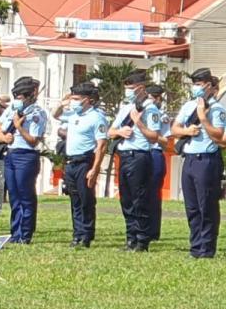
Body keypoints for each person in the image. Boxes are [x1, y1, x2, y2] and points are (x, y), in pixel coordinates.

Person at [172, 68, 226, 259]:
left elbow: (220, 136)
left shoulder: (218, 110)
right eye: (194, 84)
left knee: (206, 205)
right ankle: (195, 246)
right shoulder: (188, 106)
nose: (196, 88)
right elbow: (174, 128)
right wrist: (187, 132)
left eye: (199, 84)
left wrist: (204, 117)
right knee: (191, 206)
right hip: (189, 159)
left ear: (208, 85)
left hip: (206, 160)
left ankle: (206, 248)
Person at [107, 71, 160, 252]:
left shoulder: (150, 109)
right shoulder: (126, 107)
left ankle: (142, 239)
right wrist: (120, 132)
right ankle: (131, 238)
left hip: (139, 156)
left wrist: (139, 124)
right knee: (126, 199)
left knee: (139, 199)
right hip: (124, 156)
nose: (128, 91)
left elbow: (154, 137)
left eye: (131, 88)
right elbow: (110, 131)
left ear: (141, 88)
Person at [58, 82, 108, 248]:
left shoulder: (97, 117)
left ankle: (86, 234)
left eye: (76, 99)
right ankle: (77, 233)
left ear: (87, 100)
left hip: (85, 161)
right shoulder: (73, 115)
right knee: (75, 199)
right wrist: (62, 102)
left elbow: (101, 145)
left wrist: (95, 168)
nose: (73, 102)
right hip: (71, 161)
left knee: (86, 199)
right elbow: (55, 114)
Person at [0, 77, 45, 244]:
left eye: (21, 96)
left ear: (30, 96)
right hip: (11, 154)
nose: (18, 100)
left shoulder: (36, 113)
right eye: (16, 96)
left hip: (26, 155)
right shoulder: (12, 110)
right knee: (14, 195)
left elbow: (34, 140)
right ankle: (15, 232)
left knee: (25, 195)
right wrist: (4, 137)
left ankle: (25, 233)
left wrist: (19, 127)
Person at [144, 84, 172, 242]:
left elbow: (165, 141)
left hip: (154, 153)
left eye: (154, 98)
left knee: (153, 194)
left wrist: (150, 135)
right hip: (141, 153)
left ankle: (152, 231)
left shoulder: (162, 116)